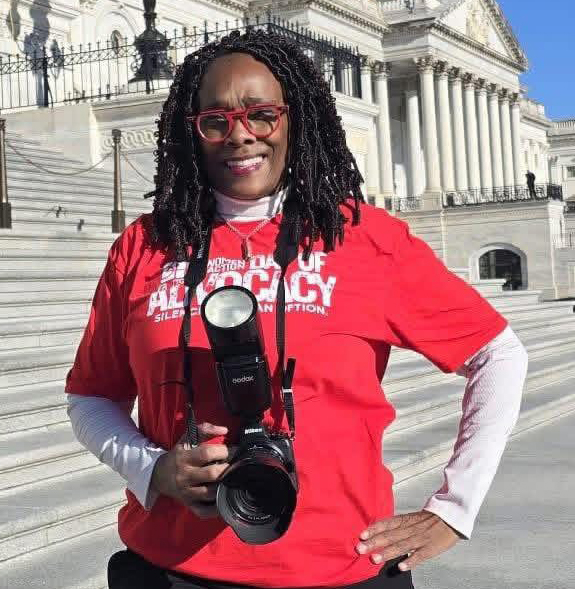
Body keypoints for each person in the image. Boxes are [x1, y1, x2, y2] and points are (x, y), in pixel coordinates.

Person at [66, 29, 528, 589]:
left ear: (293, 119)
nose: (240, 136)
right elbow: (91, 393)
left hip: (338, 566)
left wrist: (456, 507)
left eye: (261, 114)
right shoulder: (145, 245)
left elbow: (497, 354)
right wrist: (151, 467)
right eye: (216, 121)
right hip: (171, 567)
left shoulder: (362, 238)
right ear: (194, 135)